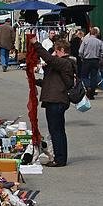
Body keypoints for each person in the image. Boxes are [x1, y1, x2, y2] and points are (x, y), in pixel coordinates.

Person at [31, 36, 75, 167]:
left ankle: (59, 159)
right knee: (57, 130)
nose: (54, 54)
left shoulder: (65, 62)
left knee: (56, 130)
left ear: (62, 50)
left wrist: (35, 44)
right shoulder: (62, 64)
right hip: (55, 99)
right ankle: (60, 156)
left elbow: (48, 58)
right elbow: (51, 82)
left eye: (56, 51)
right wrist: (35, 81)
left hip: (57, 100)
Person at [80, 27, 103, 99]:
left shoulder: (85, 41)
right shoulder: (99, 42)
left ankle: (88, 86)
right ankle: (92, 92)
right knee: (94, 76)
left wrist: (82, 57)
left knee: (84, 76)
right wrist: (100, 57)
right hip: (95, 60)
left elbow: (80, 51)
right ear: (96, 33)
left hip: (87, 60)